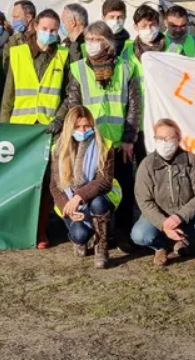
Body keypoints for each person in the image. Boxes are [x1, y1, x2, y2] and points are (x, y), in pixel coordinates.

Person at [59, 21, 140, 252]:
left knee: (121, 191)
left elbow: (134, 106)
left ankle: (121, 234)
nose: (92, 44)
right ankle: (86, 233)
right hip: (87, 144)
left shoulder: (126, 68)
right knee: (85, 189)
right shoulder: (78, 69)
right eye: (89, 40)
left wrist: (128, 138)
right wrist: (76, 136)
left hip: (116, 144)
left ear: (108, 42)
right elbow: (74, 106)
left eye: (97, 39)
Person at [1, 9, 71, 249]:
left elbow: (67, 95)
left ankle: (41, 231)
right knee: (20, 182)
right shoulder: (17, 53)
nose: (49, 34)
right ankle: (18, 229)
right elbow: (8, 95)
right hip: (21, 131)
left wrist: (59, 120)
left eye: (53, 30)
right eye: (45, 29)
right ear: (35, 27)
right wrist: (4, 130)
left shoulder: (63, 56)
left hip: (49, 131)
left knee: (45, 185)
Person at [133, 119, 195, 280]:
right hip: (160, 216)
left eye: (169, 138)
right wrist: (163, 223)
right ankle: (161, 246)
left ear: (178, 138)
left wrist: (179, 216)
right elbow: (144, 200)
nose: (164, 143)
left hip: (188, 215)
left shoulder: (194, 162)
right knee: (139, 235)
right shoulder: (146, 165)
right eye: (160, 138)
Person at [49, 106, 122, 269]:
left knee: (98, 202)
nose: (82, 130)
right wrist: (68, 208)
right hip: (70, 203)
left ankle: (101, 247)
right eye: (77, 127)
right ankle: (81, 238)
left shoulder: (104, 145)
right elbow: (54, 186)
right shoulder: (58, 149)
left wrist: (78, 197)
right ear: (69, 128)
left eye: (86, 126)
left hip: (99, 197)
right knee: (79, 235)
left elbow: (104, 181)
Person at [120, 5, 164, 163]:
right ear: (135, 27)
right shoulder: (126, 53)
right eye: (144, 26)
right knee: (143, 166)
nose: (149, 29)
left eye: (152, 25)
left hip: (163, 118)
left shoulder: (171, 50)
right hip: (139, 122)